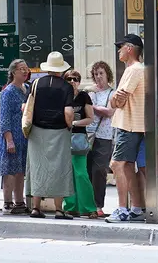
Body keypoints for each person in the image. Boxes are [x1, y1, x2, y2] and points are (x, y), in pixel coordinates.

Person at [26, 51, 75, 220]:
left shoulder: (35, 83)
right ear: (61, 69)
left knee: (37, 168)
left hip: (36, 132)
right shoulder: (66, 87)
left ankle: (35, 208)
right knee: (59, 169)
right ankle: (59, 210)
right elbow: (68, 112)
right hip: (59, 132)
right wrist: (69, 126)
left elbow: (25, 108)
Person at [106, 34, 146, 223]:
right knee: (128, 166)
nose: (118, 51)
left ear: (129, 48)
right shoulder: (138, 69)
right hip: (135, 124)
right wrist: (115, 99)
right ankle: (136, 208)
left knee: (117, 164)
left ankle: (122, 209)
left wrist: (114, 99)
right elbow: (116, 100)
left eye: (120, 47)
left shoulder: (133, 69)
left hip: (128, 124)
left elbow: (118, 101)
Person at [0, 59, 30, 215]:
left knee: (21, 170)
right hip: (11, 135)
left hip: (24, 135)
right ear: (13, 72)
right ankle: (7, 202)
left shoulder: (27, 89)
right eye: (21, 69)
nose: (25, 71)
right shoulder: (8, 92)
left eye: (26, 68)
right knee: (10, 170)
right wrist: (9, 140)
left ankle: (20, 202)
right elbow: (4, 118)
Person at [63, 70, 98, 218]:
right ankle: (71, 206)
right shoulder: (61, 95)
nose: (72, 81)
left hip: (78, 138)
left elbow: (90, 118)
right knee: (67, 174)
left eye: (76, 79)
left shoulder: (84, 96)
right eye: (69, 79)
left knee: (81, 173)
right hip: (63, 138)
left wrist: (74, 123)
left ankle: (89, 208)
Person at [87, 61, 115, 218]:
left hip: (104, 136)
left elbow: (109, 112)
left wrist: (92, 107)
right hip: (88, 134)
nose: (98, 77)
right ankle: (86, 204)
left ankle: (98, 205)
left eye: (101, 73)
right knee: (86, 170)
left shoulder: (112, 93)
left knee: (99, 170)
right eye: (96, 74)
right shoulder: (90, 92)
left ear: (107, 74)